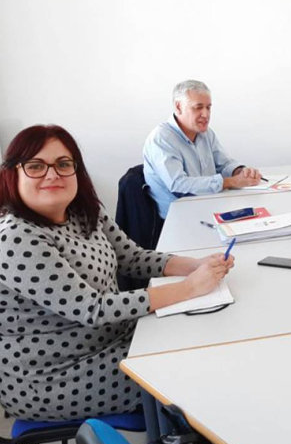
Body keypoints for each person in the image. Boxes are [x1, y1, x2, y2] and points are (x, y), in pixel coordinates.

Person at [0, 125, 234, 421]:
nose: (52, 174)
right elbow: (92, 308)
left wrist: (198, 265)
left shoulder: (85, 212)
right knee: (187, 374)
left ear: (76, 170)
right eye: (35, 166)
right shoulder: (16, 238)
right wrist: (189, 288)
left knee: (200, 346)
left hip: (114, 340)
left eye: (63, 164)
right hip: (53, 376)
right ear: (13, 174)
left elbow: (133, 258)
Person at [143, 80, 262, 219]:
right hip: (179, 219)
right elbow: (178, 185)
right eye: (198, 107)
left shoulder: (205, 133)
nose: (205, 114)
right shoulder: (161, 139)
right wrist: (230, 181)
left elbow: (223, 164)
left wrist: (241, 171)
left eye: (208, 107)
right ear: (179, 107)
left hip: (209, 207)